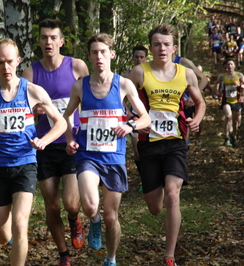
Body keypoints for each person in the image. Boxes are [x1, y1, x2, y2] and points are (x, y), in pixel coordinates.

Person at [0, 38, 66, 266]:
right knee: (2, 236)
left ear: (18, 61)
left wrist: (44, 141)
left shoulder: (33, 91)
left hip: (25, 164)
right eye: (1, 62)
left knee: (21, 226)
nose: (6, 67)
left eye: (10, 61)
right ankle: (10, 239)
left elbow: (60, 123)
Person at [63, 33, 151, 266]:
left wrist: (129, 124)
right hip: (87, 156)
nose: (99, 56)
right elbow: (66, 117)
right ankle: (94, 219)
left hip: (113, 158)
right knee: (91, 205)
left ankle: (110, 259)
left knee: (112, 218)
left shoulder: (124, 84)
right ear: (90, 56)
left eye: (103, 52)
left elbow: (145, 119)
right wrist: (70, 138)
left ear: (111, 54)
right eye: (95, 52)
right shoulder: (80, 86)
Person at [127, 24, 206, 266]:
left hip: (175, 144)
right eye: (157, 44)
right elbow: (120, 101)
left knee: (173, 195)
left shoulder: (186, 73)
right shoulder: (139, 72)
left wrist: (196, 121)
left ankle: (169, 256)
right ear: (150, 48)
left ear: (174, 48)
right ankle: (155, 183)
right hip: (149, 145)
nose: (162, 48)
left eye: (166, 44)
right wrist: (134, 123)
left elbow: (200, 103)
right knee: (155, 207)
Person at [22, 18, 89, 266]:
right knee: (51, 205)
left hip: (72, 143)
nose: (48, 42)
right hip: (44, 144)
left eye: (53, 37)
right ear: (39, 41)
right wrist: (34, 112)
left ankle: (75, 218)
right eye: (44, 37)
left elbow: (91, 97)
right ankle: (64, 255)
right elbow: (21, 108)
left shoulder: (77, 66)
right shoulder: (31, 73)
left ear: (61, 41)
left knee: (71, 203)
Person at [172, 55, 208, 146]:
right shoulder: (156, 65)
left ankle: (191, 144)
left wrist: (193, 97)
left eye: (167, 44)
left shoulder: (183, 62)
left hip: (186, 103)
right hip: (168, 106)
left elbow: (203, 79)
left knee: (184, 133)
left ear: (174, 47)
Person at [214, 58, 244, 147]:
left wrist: (240, 86)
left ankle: (233, 135)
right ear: (225, 66)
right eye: (228, 64)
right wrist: (217, 92)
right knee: (228, 116)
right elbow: (217, 83)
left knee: (235, 121)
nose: (229, 66)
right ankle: (226, 137)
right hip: (226, 100)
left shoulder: (239, 75)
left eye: (231, 64)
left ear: (234, 66)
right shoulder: (222, 76)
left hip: (236, 101)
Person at [124, 45, 148, 170]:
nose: (139, 59)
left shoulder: (151, 74)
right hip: (134, 116)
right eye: (136, 57)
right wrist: (128, 115)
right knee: (137, 150)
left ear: (146, 58)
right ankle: (143, 179)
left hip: (150, 116)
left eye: (142, 57)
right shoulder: (125, 77)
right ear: (132, 58)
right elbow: (121, 101)